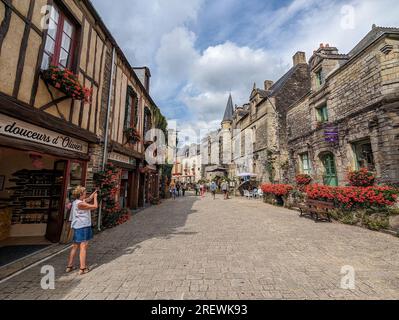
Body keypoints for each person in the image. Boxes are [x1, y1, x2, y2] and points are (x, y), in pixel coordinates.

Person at [66, 186, 98, 275]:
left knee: (75, 246)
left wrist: (94, 193)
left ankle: (69, 266)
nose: (86, 193)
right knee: (83, 246)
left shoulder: (77, 202)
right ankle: (82, 268)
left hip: (77, 226)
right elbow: (95, 206)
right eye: (84, 192)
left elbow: (88, 199)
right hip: (83, 226)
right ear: (80, 194)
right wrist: (95, 198)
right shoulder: (81, 204)